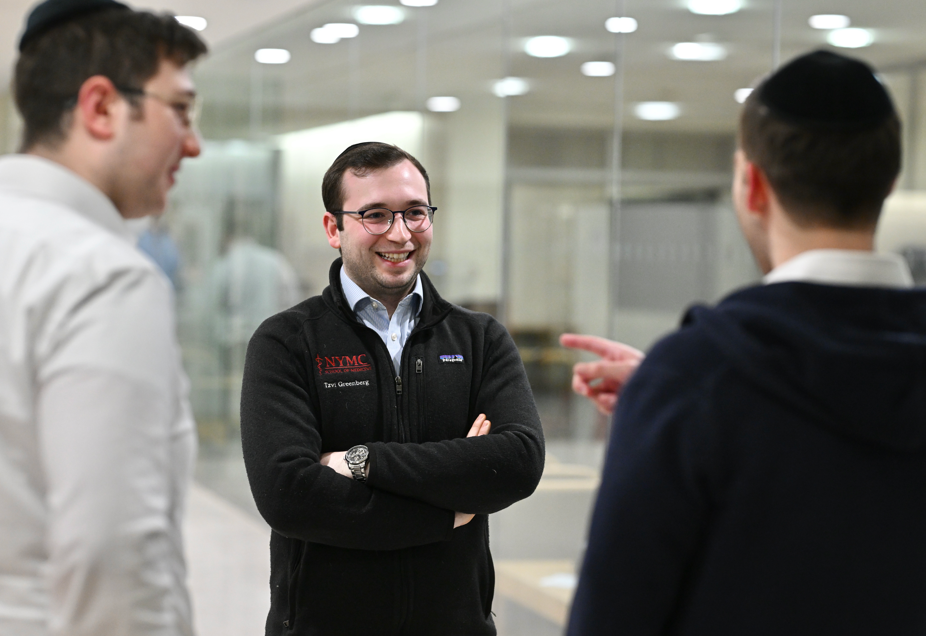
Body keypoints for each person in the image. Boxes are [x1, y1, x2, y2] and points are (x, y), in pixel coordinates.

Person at [565, 50, 926, 636]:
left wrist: (678, 395)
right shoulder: (693, 379)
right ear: (888, 180)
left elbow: (614, 615)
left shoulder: (695, 380)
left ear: (753, 185)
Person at [240, 141, 545, 635]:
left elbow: (518, 460)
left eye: (415, 213)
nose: (400, 233)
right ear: (333, 228)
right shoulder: (287, 342)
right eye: (376, 215)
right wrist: (449, 511)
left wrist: (361, 462)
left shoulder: (479, 338)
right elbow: (289, 492)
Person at [0, 1, 206, 634]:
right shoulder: (100, 275)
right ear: (101, 108)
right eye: (180, 110)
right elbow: (113, 554)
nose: (193, 144)